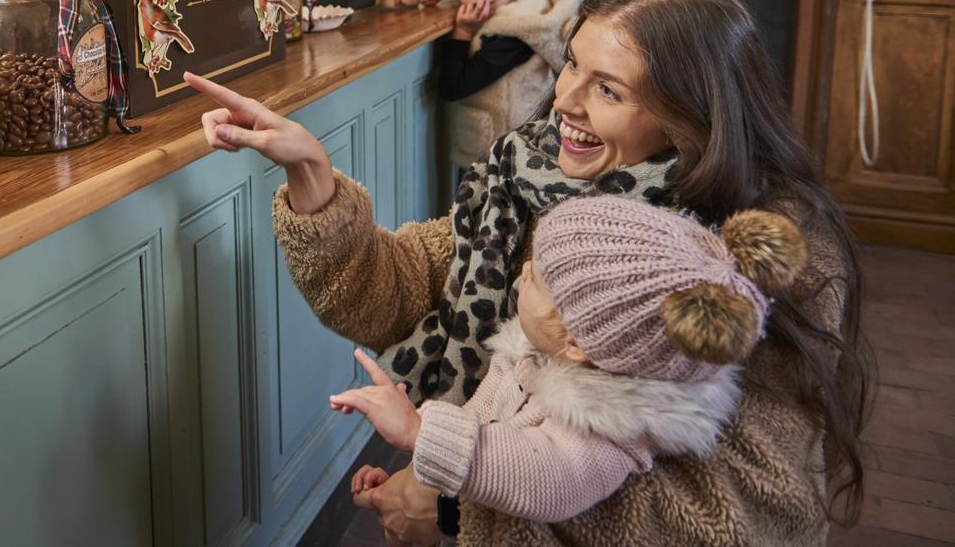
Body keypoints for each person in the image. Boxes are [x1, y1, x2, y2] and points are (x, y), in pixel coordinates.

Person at [187, 0, 868, 546]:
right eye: (572, 62)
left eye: (609, 88)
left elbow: (746, 512)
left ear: (690, 119)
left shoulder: (767, 249)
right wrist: (313, 174)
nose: (564, 99)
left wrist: (459, 504)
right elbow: (392, 291)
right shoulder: (530, 175)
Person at [331, 195, 807, 531]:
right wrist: (420, 470)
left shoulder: (602, 432)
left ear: (578, 342)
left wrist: (418, 432)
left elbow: (543, 479)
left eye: (540, 279)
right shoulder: (537, 352)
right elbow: (483, 420)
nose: (523, 273)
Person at [438, 0, 581, 169]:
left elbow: (453, 86)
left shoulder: (513, 33)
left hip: (504, 158)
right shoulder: (532, 8)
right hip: (519, 147)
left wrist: (462, 31)